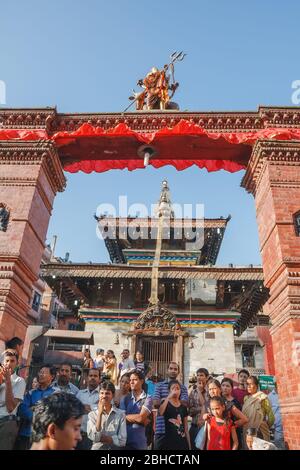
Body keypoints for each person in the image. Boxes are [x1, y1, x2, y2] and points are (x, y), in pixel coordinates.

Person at [15, 365, 56, 450]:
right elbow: (21, 409)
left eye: (43, 373)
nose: (40, 374)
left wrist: (33, 408)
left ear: (52, 376)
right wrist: (41, 415)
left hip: (44, 437)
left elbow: (53, 414)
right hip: (26, 434)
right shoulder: (31, 393)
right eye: (40, 372)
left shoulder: (56, 394)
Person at [153, 362, 188, 450]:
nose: (173, 371)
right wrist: (173, 397)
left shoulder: (183, 387)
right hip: (161, 428)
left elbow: (185, 404)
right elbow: (156, 403)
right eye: (171, 368)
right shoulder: (159, 385)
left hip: (176, 431)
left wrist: (164, 400)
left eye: (175, 369)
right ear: (167, 370)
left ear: (178, 372)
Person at [87, 381, 126, 450]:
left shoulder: (120, 414)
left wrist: (105, 438)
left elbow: (122, 440)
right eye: (102, 393)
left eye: (107, 393)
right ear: (99, 394)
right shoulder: (92, 415)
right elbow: (95, 437)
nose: (104, 396)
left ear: (113, 395)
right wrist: (99, 414)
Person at [0, 349, 26, 450]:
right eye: (6, 361)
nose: (9, 364)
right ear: (2, 363)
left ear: (17, 364)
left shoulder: (19, 381)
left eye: (12, 361)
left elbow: (10, 407)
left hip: (6, 422)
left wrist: (8, 381)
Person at [120, 370, 152, 450]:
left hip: (140, 443)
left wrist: (139, 418)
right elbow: (120, 418)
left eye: (134, 380)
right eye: (130, 380)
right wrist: (139, 418)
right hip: (124, 441)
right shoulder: (125, 399)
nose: (131, 382)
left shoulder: (148, 398)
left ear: (141, 381)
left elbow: (141, 418)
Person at [242, 376, 275, 444]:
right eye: (247, 384)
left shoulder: (263, 397)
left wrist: (265, 426)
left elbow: (271, 416)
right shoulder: (246, 398)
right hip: (248, 431)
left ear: (256, 385)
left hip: (260, 431)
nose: (248, 386)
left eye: (251, 384)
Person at [159, 380, 190, 450]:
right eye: (173, 388)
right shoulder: (166, 403)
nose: (175, 390)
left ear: (180, 391)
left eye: (178, 388)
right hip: (169, 442)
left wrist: (189, 446)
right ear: (169, 390)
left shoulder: (183, 407)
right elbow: (160, 413)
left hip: (182, 442)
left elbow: (186, 429)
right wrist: (168, 397)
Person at [76, 368, 101, 450]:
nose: (92, 378)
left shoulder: (104, 394)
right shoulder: (80, 393)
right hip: (77, 435)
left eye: (95, 376)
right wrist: (95, 407)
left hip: (93, 438)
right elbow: (74, 410)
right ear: (87, 378)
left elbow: (105, 411)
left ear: (99, 379)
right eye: (90, 376)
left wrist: (90, 407)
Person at [189, 368, 209, 449]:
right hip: (194, 425)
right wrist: (201, 409)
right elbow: (190, 411)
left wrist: (200, 391)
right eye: (197, 375)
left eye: (201, 375)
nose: (199, 377)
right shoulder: (193, 392)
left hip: (206, 427)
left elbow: (208, 408)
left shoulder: (210, 391)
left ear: (207, 377)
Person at [221, 377, 244, 449]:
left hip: (233, 433)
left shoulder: (235, 402)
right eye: (223, 385)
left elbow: (241, 419)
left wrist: (232, 426)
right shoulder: (218, 400)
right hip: (221, 432)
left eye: (227, 386)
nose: (225, 388)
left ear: (231, 388)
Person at [268, 381, 285, 449]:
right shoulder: (269, 397)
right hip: (277, 428)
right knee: (279, 444)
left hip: (289, 425)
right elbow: (268, 412)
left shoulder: (285, 393)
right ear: (275, 384)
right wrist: (271, 426)